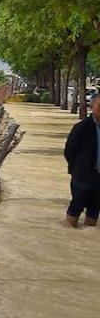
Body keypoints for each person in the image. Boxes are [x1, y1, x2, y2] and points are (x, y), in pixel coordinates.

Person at [63, 94, 100, 227]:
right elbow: (69, 151)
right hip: (83, 176)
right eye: (99, 107)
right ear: (92, 107)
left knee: (95, 210)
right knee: (76, 206)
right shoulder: (82, 127)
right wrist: (76, 169)